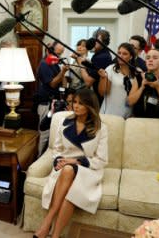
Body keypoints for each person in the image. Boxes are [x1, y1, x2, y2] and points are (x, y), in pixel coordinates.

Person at [34, 89, 108, 238]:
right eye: (74, 102)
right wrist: (59, 160)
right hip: (65, 167)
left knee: (70, 174)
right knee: (68, 172)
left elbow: (101, 160)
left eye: (81, 103)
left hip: (88, 169)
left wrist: (76, 161)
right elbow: (56, 149)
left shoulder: (101, 128)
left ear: (90, 106)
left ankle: (48, 226)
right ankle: (52, 231)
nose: (76, 106)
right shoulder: (64, 122)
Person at [34, 42, 67, 156]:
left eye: (60, 54)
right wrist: (62, 72)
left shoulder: (55, 64)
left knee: (55, 133)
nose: (59, 57)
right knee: (44, 133)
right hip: (45, 104)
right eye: (57, 54)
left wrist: (63, 73)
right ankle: (39, 158)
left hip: (55, 103)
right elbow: (52, 84)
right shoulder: (44, 64)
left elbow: (63, 84)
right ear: (48, 51)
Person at [128, 48, 159, 118]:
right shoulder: (139, 77)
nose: (150, 60)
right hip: (140, 120)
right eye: (148, 58)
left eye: (155, 58)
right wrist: (142, 87)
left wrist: (158, 86)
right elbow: (130, 102)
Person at [98, 43, 138, 118]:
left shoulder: (137, 72)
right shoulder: (110, 69)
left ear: (131, 57)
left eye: (125, 54)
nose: (120, 56)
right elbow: (102, 93)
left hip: (128, 115)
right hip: (108, 114)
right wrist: (103, 78)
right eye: (119, 53)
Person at [77, 29, 113, 105]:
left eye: (97, 40)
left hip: (100, 99)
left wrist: (81, 64)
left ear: (104, 42)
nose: (93, 42)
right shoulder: (101, 55)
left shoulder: (102, 57)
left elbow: (88, 82)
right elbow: (94, 70)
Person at [0, 38, 15, 126]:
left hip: (14, 95)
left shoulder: (17, 62)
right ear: (1, 50)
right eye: (5, 49)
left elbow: (24, 81)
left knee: (12, 124)